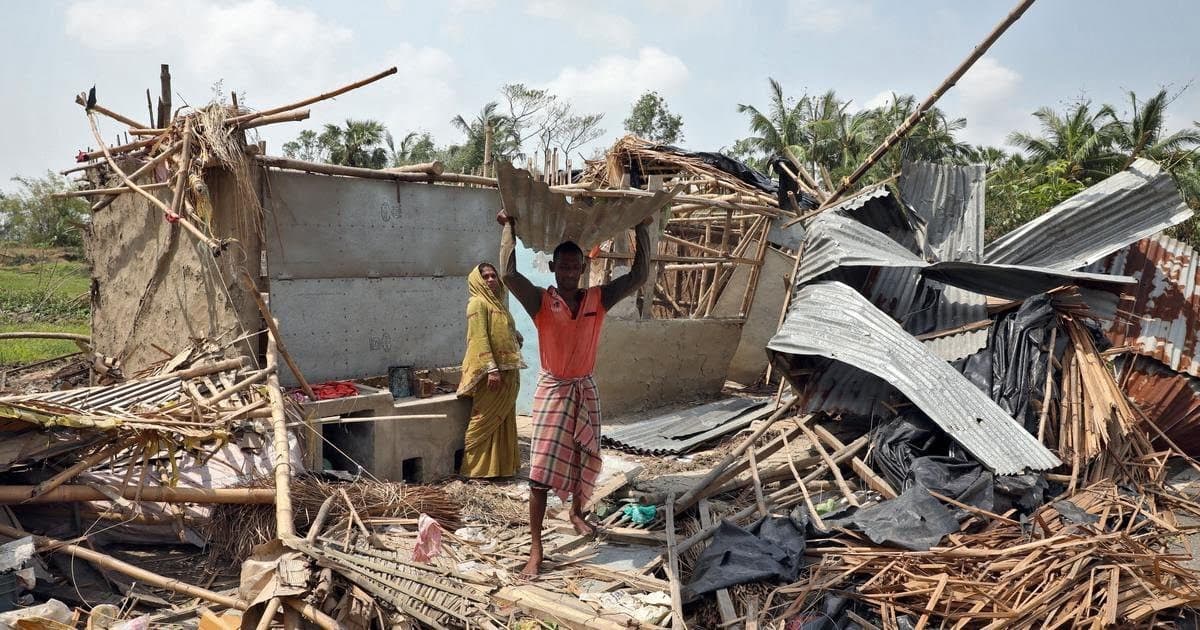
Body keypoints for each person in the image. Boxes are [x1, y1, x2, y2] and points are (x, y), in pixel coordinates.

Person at [497, 209, 652, 577]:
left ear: (583, 267)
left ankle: (577, 512)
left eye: (574, 267)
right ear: (553, 267)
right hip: (553, 391)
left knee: (585, 458)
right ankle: (536, 550)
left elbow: (640, 275)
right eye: (562, 267)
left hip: (585, 389)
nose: (568, 272)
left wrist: (641, 228)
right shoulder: (539, 301)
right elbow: (507, 273)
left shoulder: (599, 298)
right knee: (538, 476)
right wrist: (510, 229)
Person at [456, 262, 525, 479]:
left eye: (493, 275)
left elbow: (500, 331)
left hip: (509, 371)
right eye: (485, 277)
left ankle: (500, 470)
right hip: (492, 374)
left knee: (503, 420)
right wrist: (491, 369)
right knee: (484, 419)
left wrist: (515, 336)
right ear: (476, 281)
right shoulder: (477, 304)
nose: (491, 280)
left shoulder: (499, 304)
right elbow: (479, 339)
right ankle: (473, 471)